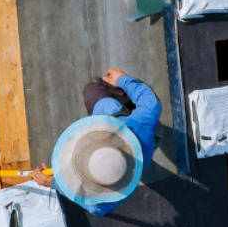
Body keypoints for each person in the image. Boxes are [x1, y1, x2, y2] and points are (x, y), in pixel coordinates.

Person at [31, 68, 160, 215]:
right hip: (142, 141)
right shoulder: (140, 125)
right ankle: (124, 97)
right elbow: (151, 102)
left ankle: (121, 97)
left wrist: (55, 183)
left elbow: (96, 209)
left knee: (92, 89)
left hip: (112, 114)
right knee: (93, 90)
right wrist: (122, 80)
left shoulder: (117, 197)